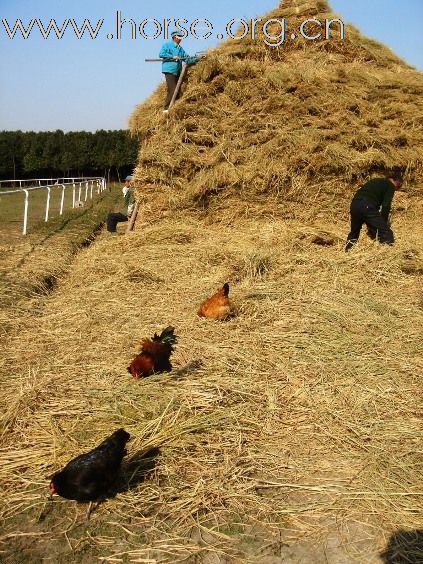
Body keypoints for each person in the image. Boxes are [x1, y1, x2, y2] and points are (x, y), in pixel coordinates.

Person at [345, 169, 403, 251]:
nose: (397, 189)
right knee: (386, 233)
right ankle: (387, 255)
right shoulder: (390, 185)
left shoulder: (376, 181)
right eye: (398, 186)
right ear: (395, 180)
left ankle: (347, 251)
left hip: (354, 204)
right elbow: (386, 205)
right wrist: (384, 222)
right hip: (367, 205)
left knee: (354, 233)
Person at [159, 30, 198, 113]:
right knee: (172, 89)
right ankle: (166, 109)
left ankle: (174, 107)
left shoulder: (180, 49)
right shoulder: (167, 45)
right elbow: (161, 54)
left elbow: (187, 59)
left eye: (181, 38)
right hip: (169, 70)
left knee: (178, 90)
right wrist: (172, 56)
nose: (180, 39)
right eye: (179, 37)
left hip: (177, 71)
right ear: (174, 37)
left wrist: (197, 59)